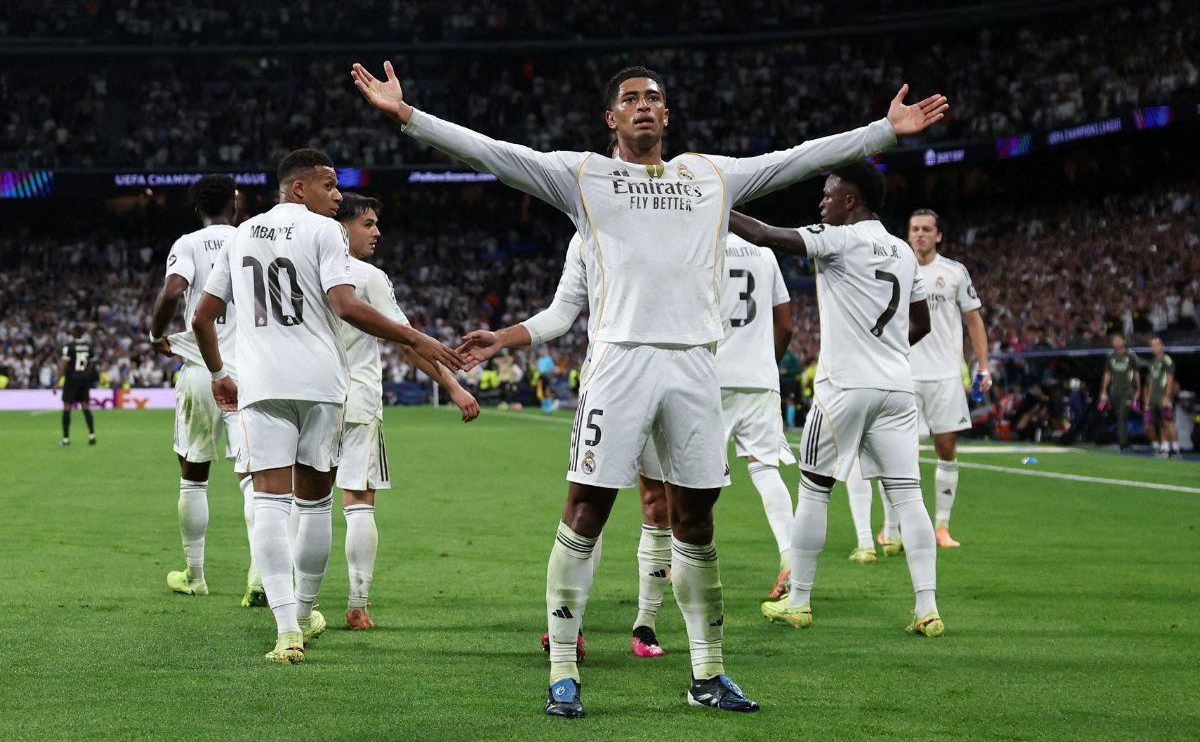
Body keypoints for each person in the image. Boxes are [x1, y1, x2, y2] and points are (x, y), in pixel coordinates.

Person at [352, 58, 945, 715]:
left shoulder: (709, 175)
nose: (643, 106)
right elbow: (496, 154)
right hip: (620, 363)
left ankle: (707, 675)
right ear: (612, 117)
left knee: (695, 521)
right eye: (630, 99)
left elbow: (798, 158)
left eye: (653, 99)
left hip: (695, 366)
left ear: (666, 115)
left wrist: (883, 132)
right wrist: (409, 117)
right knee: (588, 509)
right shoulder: (585, 175)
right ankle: (562, 674)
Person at [192, 149, 464, 664]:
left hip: (261, 384)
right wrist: (417, 338)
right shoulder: (325, 233)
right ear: (298, 188)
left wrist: (218, 374)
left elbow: (203, 317)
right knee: (316, 503)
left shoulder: (241, 233)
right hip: (321, 384)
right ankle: (305, 612)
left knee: (271, 504)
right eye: (329, 185)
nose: (338, 196)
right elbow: (344, 305)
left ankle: (284, 631)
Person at [729, 161, 945, 637]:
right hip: (896, 387)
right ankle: (927, 608)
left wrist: (714, 203)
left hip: (843, 387)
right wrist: (884, 350)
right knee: (909, 497)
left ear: (851, 200)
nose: (820, 203)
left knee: (814, 490)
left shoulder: (840, 238)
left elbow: (768, 236)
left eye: (828, 195)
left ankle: (799, 601)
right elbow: (922, 323)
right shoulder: (905, 252)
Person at [460, 232, 674, 661]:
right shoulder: (586, 234)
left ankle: (646, 624)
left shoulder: (679, 215)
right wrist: (504, 336)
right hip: (612, 381)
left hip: (677, 379)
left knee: (663, 505)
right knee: (587, 507)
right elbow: (562, 313)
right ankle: (568, 625)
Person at [334, 193, 479, 630]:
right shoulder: (365, 276)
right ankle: (357, 604)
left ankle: (295, 607)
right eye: (369, 223)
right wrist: (453, 387)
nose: (377, 232)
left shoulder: (303, 268)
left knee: (302, 502)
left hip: (307, 398)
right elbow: (408, 341)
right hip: (356, 400)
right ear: (343, 226)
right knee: (358, 501)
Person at [147, 174, 261, 603]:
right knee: (253, 478)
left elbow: (174, 290)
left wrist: (156, 333)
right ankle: (259, 576)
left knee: (194, 475)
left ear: (197, 209)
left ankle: (195, 575)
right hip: (249, 373)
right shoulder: (253, 238)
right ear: (236, 202)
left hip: (201, 368)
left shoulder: (190, 243)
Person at [868, 209, 992, 552]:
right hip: (903, 374)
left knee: (946, 449)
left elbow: (974, 321)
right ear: (908, 234)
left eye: (926, 229)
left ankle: (941, 527)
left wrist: (983, 366)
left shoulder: (954, 273)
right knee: (897, 454)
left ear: (938, 236)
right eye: (915, 229)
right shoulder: (895, 269)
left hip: (946, 377)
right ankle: (890, 528)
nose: (920, 234)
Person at [718, 232, 798, 599]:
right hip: (760, 378)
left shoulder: (701, 244)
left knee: (696, 475)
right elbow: (786, 325)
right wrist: (767, 363)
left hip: (711, 377)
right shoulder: (765, 255)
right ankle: (791, 560)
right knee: (765, 468)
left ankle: (682, 561)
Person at [54, 326, 97, 446]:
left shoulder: (69, 346)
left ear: (75, 333)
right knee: (85, 406)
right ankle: (92, 435)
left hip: (71, 379)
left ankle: (66, 439)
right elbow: (92, 363)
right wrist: (85, 374)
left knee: (67, 406)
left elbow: (64, 365)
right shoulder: (89, 346)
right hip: (83, 379)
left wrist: (57, 382)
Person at [1098, 334, 1142, 450]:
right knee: (1118, 416)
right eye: (1114, 340)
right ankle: (1125, 441)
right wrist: (1103, 391)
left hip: (1127, 391)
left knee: (1122, 415)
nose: (1116, 342)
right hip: (1114, 392)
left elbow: (1136, 373)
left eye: (1118, 339)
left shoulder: (1131, 356)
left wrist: (1138, 390)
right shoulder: (1111, 357)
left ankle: (1123, 443)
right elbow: (1107, 374)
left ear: (1124, 341)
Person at [1144, 336, 1178, 457]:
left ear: (1162, 346)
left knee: (1168, 422)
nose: (1155, 347)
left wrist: (1167, 396)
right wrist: (1148, 400)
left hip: (1163, 396)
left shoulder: (1167, 360)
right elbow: (1150, 383)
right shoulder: (1152, 363)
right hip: (1153, 397)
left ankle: (1175, 449)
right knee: (1154, 424)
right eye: (1152, 345)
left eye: (1157, 344)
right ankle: (1163, 448)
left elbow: (1170, 379)